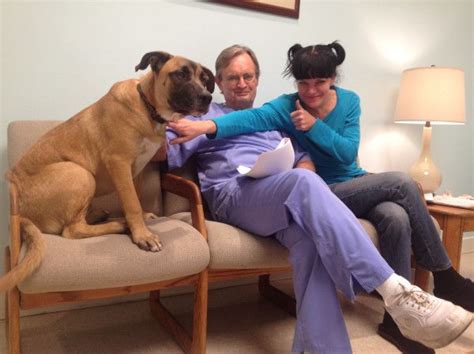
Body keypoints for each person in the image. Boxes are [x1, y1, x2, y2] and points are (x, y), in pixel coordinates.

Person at [163, 44, 472, 353]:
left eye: (248, 76)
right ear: (218, 82)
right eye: (232, 78)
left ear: (257, 79)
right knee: (305, 181)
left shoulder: (273, 119)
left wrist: (301, 166)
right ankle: (396, 291)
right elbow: (163, 152)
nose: (241, 84)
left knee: (313, 241)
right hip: (233, 194)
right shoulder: (201, 114)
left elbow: (305, 160)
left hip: (279, 197)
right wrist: (162, 119)